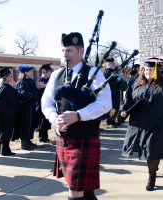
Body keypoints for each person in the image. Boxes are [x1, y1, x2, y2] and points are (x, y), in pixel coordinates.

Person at [42, 32, 112, 200]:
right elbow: (46, 102)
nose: (65, 55)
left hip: (85, 138)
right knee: (85, 191)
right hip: (64, 138)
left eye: (69, 51)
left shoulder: (93, 73)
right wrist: (54, 119)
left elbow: (106, 103)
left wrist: (79, 115)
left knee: (75, 191)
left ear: (81, 52)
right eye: (63, 51)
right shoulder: (56, 75)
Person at [120, 58, 163, 191]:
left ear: (156, 71)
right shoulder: (137, 84)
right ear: (143, 71)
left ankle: (151, 176)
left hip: (158, 124)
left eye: (151, 70)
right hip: (141, 124)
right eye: (146, 70)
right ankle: (153, 168)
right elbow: (128, 99)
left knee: (151, 150)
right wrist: (124, 110)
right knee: (147, 151)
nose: (148, 72)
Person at [0, 68, 20, 156]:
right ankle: (5, 151)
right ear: (6, 77)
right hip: (7, 113)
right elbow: (15, 100)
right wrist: (14, 89)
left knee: (1, 130)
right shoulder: (6, 87)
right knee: (6, 131)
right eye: (11, 76)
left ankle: (0, 149)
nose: (12, 77)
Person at [12, 65, 38, 150]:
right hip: (25, 107)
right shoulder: (21, 81)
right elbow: (23, 94)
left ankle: (28, 140)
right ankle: (24, 143)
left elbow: (33, 91)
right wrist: (33, 94)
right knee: (25, 124)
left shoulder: (30, 80)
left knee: (31, 123)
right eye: (30, 71)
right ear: (25, 72)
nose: (31, 72)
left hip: (31, 106)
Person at [36, 63, 53, 143]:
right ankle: (41, 137)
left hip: (48, 103)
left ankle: (45, 136)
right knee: (42, 120)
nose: (51, 74)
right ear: (45, 72)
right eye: (50, 72)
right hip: (41, 104)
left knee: (46, 120)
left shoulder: (48, 80)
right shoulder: (40, 80)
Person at [103, 57, 121, 127]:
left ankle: (112, 119)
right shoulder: (107, 72)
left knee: (114, 107)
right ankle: (110, 120)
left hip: (113, 91)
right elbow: (108, 83)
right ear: (109, 64)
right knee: (113, 107)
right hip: (112, 91)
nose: (113, 64)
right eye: (112, 63)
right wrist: (117, 79)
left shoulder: (109, 71)